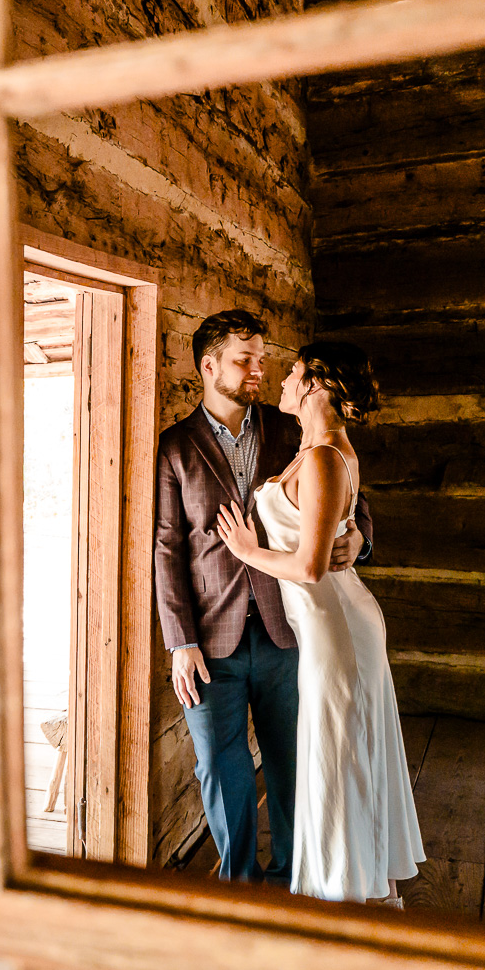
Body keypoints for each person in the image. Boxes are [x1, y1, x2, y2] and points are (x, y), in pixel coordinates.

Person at [153, 310, 372, 884]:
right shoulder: (175, 447)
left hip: (289, 629)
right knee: (220, 768)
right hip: (209, 641)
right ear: (209, 365)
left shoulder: (289, 429)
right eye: (244, 360)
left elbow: (351, 495)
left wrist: (357, 538)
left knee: (294, 763)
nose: (259, 370)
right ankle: (240, 887)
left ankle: (296, 881)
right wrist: (180, 642)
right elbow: (167, 548)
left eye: (262, 359)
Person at [214, 341, 425, 904]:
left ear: (314, 385)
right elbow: (335, 522)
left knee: (338, 755)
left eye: (293, 374)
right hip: (323, 622)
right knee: (339, 751)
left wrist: (246, 549)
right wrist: (352, 533)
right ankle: (351, 881)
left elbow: (308, 566)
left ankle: (345, 893)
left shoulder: (328, 456)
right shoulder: (314, 450)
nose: (281, 382)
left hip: (334, 625)